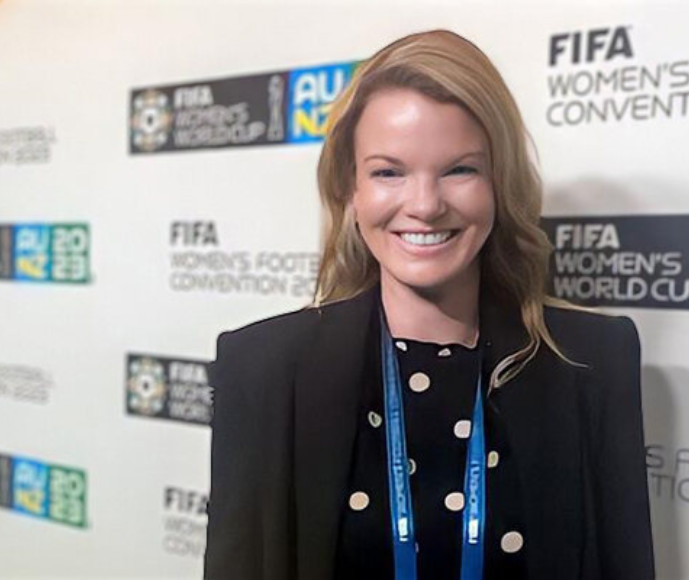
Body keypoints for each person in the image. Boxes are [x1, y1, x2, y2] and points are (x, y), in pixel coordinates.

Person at [204, 29, 654, 580]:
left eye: (460, 169)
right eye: (388, 172)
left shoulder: (591, 360)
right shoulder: (265, 366)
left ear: (499, 181)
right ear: (352, 189)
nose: (424, 205)